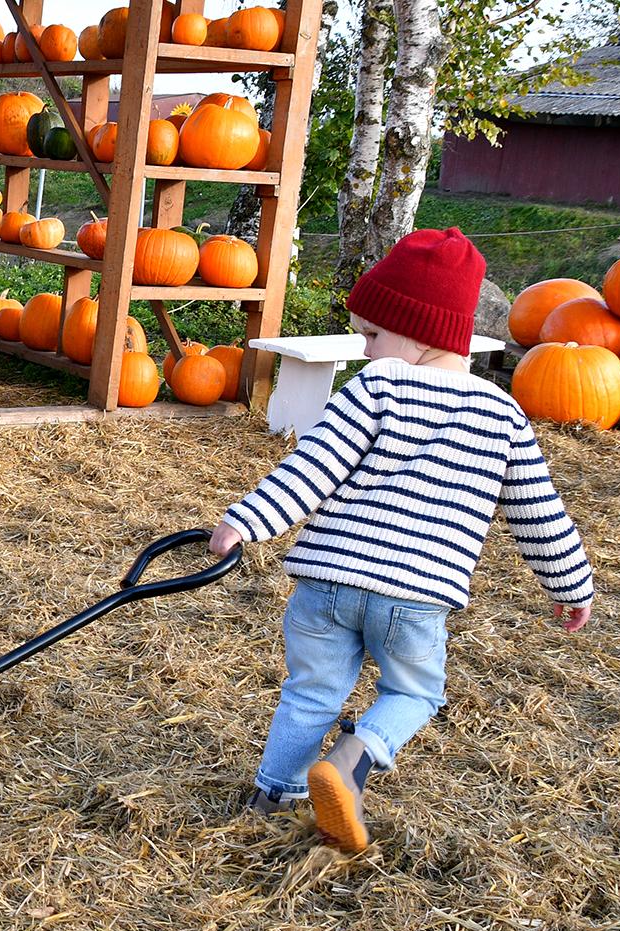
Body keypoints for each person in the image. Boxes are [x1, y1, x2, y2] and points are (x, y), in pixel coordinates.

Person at [209, 227, 595, 852]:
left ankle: (273, 794)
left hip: (328, 581)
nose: (365, 350)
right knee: (415, 691)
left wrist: (246, 522)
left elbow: (313, 466)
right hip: (418, 595)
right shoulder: (505, 417)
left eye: (373, 335)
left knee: (310, 692)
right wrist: (570, 583)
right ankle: (355, 757)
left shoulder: (374, 388)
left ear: (422, 334)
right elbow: (538, 514)